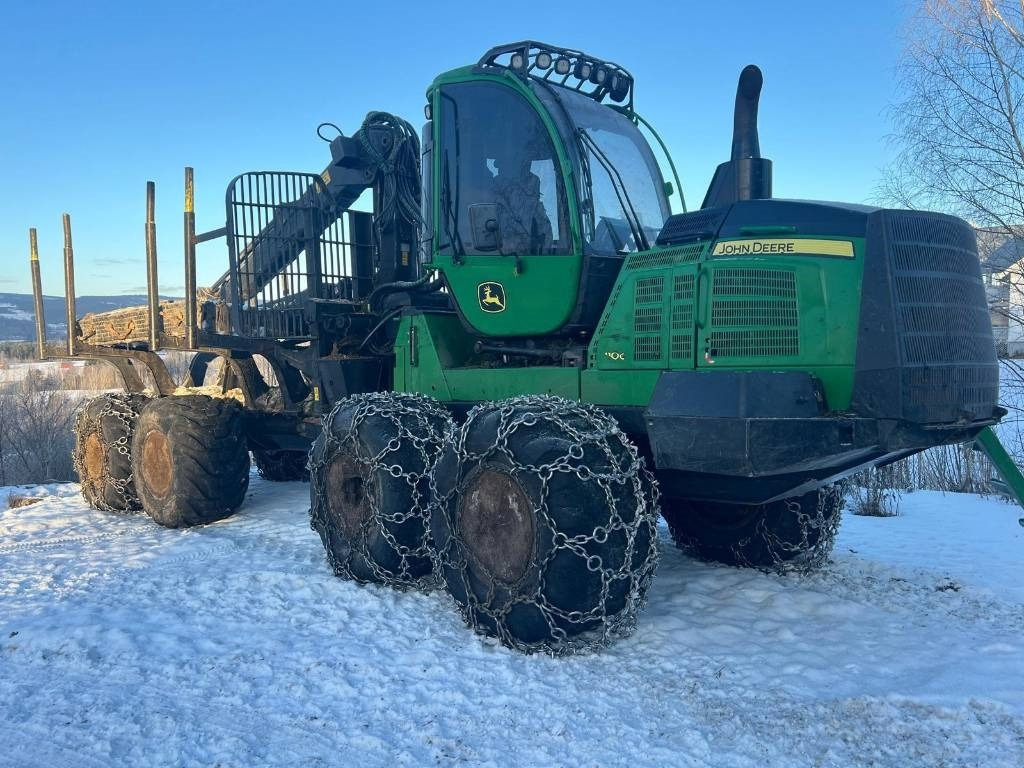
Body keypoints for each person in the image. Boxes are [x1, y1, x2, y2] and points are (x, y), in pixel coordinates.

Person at [490, 151, 553, 255]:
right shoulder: (493, 200)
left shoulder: (537, 210)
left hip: (529, 259)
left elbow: (546, 235)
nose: (532, 185)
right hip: (500, 258)